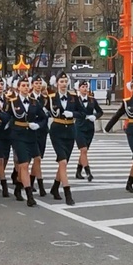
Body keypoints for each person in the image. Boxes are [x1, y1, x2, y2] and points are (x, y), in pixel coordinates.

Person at [6, 76, 47, 206]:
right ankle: (29, 195)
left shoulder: (34, 102)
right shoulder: (13, 102)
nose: (25, 87)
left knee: (37, 159)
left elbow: (43, 117)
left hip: (31, 135)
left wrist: (39, 125)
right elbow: (7, 117)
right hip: (18, 136)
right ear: (18, 87)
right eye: (22, 85)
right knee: (23, 165)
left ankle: (18, 187)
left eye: (26, 85)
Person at [45, 72, 84, 205]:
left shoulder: (74, 97)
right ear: (56, 84)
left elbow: (82, 113)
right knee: (62, 162)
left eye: (65, 81)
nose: (63, 84)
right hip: (57, 130)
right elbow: (40, 112)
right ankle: (68, 193)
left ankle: (55, 187)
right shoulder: (50, 98)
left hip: (70, 131)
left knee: (64, 162)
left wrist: (72, 113)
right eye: (61, 82)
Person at [74, 80, 102, 182]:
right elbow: (73, 112)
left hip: (89, 128)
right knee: (83, 150)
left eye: (86, 87)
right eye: (83, 87)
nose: (85, 89)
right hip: (79, 127)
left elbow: (100, 111)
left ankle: (78, 171)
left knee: (84, 152)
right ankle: (88, 172)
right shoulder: (75, 100)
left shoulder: (92, 100)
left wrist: (94, 116)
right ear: (79, 88)